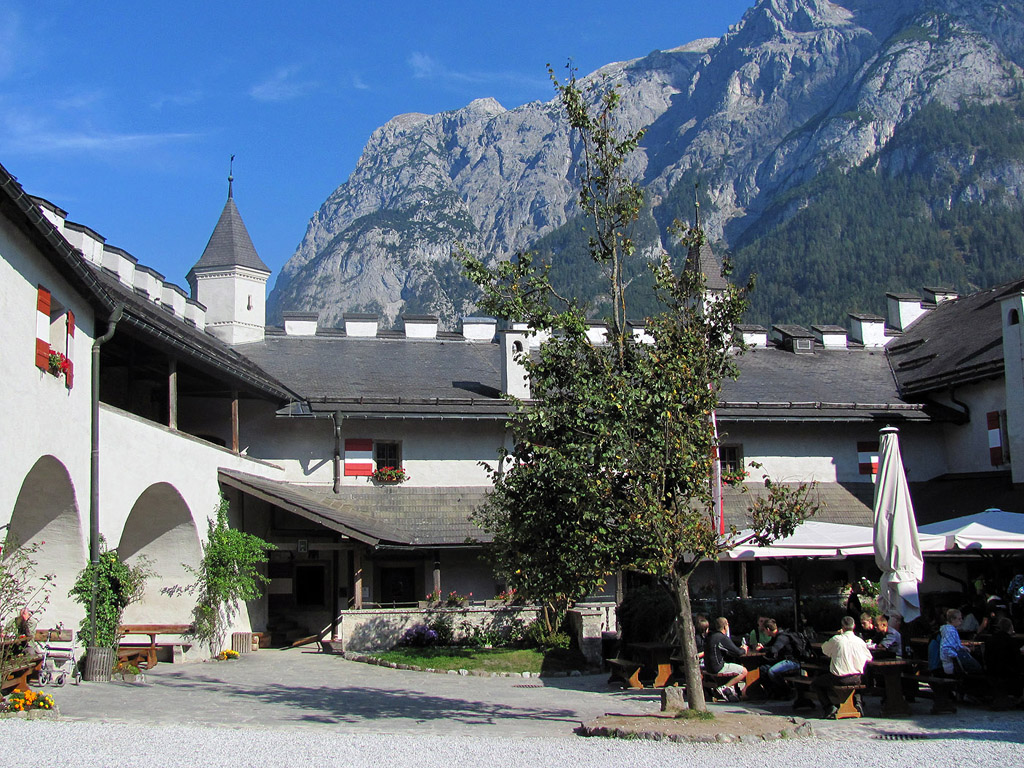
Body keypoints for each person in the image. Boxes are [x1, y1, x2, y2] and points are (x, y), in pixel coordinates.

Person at [812, 615, 872, 718]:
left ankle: (829, 707)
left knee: (816, 683)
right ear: (854, 626)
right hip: (857, 677)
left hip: (839, 678)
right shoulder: (860, 641)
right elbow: (869, 657)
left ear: (842, 627)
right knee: (856, 682)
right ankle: (858, 703)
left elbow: (824, 649)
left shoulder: (837, 639)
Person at [704, 617, 748, 702]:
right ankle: (724, 688)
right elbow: (738, 652)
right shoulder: (722, 637)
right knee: (744, 671)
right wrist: (744, 649)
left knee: (732, 667)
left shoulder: (711, 636)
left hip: (708, 666)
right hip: (717, 667)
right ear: (725, 626)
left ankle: (728, 691)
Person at [757, 619, 802, 698]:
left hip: (792, 661)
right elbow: (768, 646)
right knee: (763, 669)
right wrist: (762, 647)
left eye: (764, 630)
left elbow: (774, 649)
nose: (764, 632)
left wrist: (762, 649)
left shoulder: (782, 637)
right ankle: (774, 692)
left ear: (768, 629)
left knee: (772, 671)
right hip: (783, 661)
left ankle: (788, 691)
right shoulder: (775, 637)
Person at [939, 608, 983, 675]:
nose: (961, 621)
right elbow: (946, 648)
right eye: (959, 619)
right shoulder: (950, 631)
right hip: (951, 665)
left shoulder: (951, 630)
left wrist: (963, 648)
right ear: (952, 620)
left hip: (952, 663)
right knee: (977, 670)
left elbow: (954, 645)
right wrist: (957, 656)